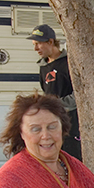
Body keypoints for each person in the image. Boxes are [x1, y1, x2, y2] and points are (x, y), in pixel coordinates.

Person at [27, 24, 82, 160]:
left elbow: (80, 95)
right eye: (34, 44)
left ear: (51, 42)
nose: (35, 49)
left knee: (73, 159)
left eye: (38, 44)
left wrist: (57, 105)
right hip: (53, 124)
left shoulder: (68, 62)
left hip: (71, 124)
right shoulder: (43, 67)